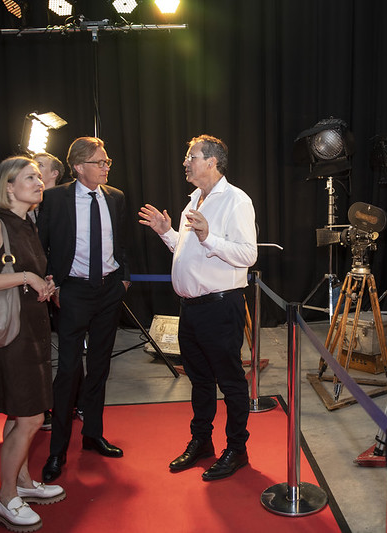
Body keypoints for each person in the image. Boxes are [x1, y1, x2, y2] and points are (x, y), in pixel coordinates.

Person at [139, 134, 257, 481]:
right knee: (200, 381)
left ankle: (237, 449)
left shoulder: (236, 200)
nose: (186, 162)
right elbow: (187, 250)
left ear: (212, 162)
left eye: (192, 156)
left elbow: (248, 255)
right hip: (191, 309)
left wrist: (209, 238)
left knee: (231, 383)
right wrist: (166, 232)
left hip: (221, 308)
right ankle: (202, 442)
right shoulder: (194, 200)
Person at [0, 156, 64, 532]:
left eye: (40, 177)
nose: (39, 182)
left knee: (20, 413)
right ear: (7, 186)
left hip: (30, 327)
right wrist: (26, 276)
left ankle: (21, 482)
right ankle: (5, 498)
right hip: (10, 334)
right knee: (31, 415)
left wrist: (42, 283)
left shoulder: (26, 224)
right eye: (30, 177)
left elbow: (20, 277)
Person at [37, 137, 131, 483]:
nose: (107, 167)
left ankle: (92, 434)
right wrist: (54, 283)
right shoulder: (56, 198)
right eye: (100, 162)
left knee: (101, 367)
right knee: (69, 371)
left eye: (107, 162)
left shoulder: (116, 198)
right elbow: (41, 244)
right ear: (79, 167)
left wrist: (124, 278)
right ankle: (57, 450)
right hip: (72, 292)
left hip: (109, 290)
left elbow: (121, 243)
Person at [31, 152, 67, 431]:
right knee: (38, 350)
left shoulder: (67, 203)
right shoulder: (28, 207)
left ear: (54, 174)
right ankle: (40, 408)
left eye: (39, 168)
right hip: (33, 288)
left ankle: (69, 403)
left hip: (63, 287)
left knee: (70, 350)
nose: (34, 172)